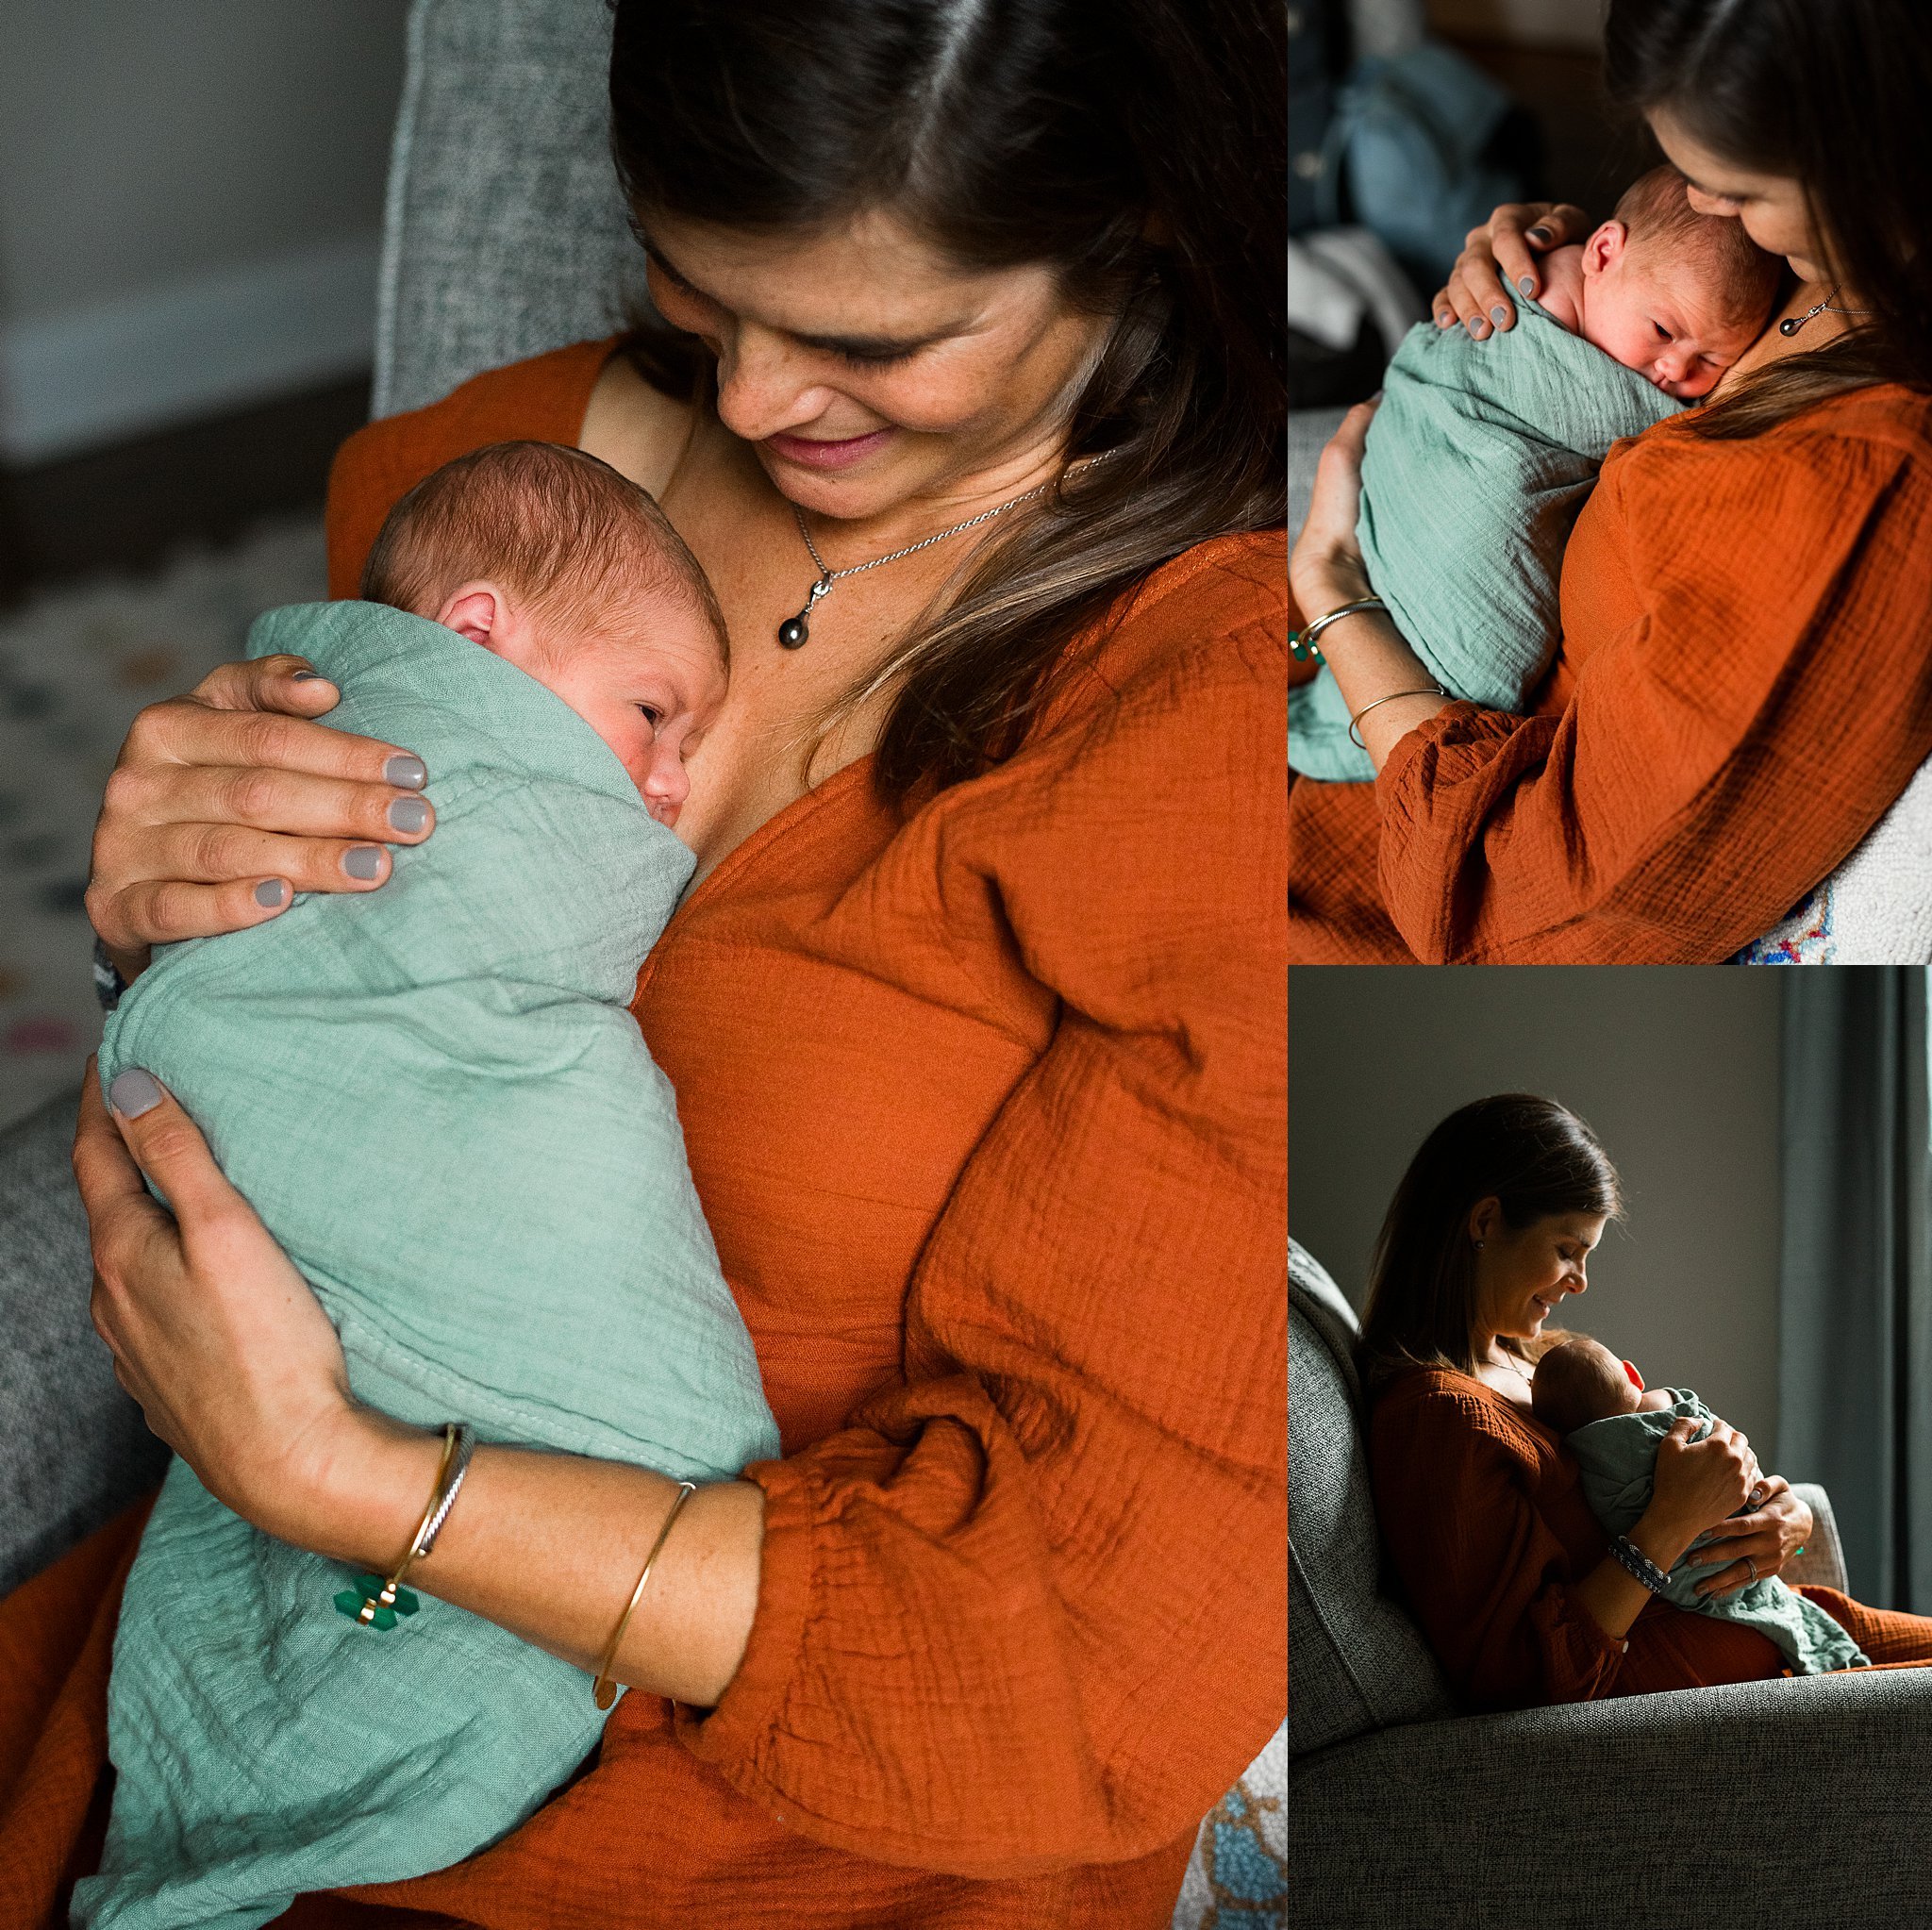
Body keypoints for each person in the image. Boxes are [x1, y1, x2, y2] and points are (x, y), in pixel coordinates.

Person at [0, 1, 1288, 1926]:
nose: (755, 403)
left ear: (1141, 244)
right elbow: (331, 1059)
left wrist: (350, 1481)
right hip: (282, 1638)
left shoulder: (1224, 734)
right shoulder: (477, 478)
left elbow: (1094, 1646)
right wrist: (168, 927)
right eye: (698, 299)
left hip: (792, 1772)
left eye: (871, 341)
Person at [81, 442, 781, 1930]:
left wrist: (332, 1462)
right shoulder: (427, 721)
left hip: (635, 1603)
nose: (662, 793)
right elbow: (278, 971)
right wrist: (161, 946)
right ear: (471, 641)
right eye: (649, 717)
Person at [1289, 0, 1932, 961]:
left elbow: (1527, 913)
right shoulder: (1817, 261)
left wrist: (1334, 595)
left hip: (1380, 832)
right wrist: (1544, 290)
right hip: (1347, 668)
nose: (1712, 209)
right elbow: (1661, 260)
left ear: (1879, 157)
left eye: (1737, 189)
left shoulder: (1866, 488)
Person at [1360, 1094, 1932, 1711]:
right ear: (1485, 1222)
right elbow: (1518, 1676)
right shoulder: (1437, 1418)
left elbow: (1663, 1467)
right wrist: (1668, 1524)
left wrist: (1783, 1521)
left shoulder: (1541, 1363)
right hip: (1723, 1701)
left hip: (1785, 1628)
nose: (1580, 1281)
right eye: (1566, 1249)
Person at [1289, 164, 1777, 780]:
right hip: (1423, 438)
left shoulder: (1630, 293)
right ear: (1602, 251)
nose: (1673, 371)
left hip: (1361, 554)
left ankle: (1332, 686)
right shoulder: (1543, 291)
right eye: (1664, 331)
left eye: (1710, 359)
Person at [1530, 1333, 1865, 1676]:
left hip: (1749, 1593)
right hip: (1720, 1637)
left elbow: (1734, 1477)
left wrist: (1797, 1525)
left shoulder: (1558, 1402)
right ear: (1633, 1375)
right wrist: (1677, 1516)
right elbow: (1561, 1665)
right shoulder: (1661, 1405)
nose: (1580, 1281)